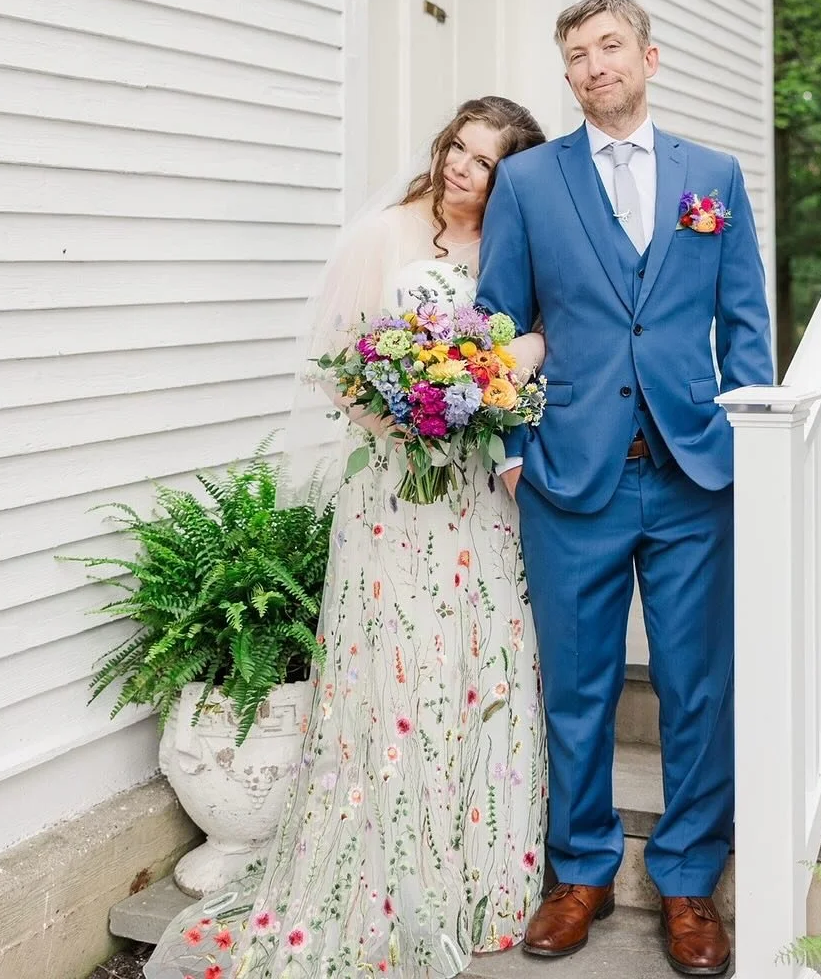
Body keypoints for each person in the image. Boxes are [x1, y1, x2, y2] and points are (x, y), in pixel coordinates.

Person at [144, 97, 548, 979]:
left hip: (474, 494)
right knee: (395, 663)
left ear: (508, 176)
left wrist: (492, 384)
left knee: (478, 661)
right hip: (391, 493)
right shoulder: (385, 234)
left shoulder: (515, 250)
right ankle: (393, 871)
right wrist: (401, 411)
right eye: (456, 148)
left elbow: (534, 339)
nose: (459, 168)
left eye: (482, 161)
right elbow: (338, 361)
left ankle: (479, 880)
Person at [477, 0, 773, 976]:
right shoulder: (526, 183)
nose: (594, 64)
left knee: (697, 686)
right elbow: (497, 325)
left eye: (609, 46)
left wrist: (750, 451)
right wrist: (516, 447)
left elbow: (748, 333)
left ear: (648, 54)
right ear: (567, 75)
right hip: (572, 476)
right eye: (575, 55)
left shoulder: (715, 179)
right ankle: (583, 874)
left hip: (693, 473)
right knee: (579, 688)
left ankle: (687, 882)